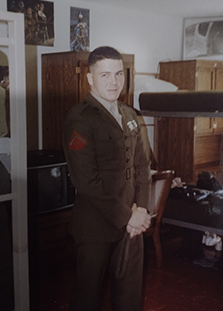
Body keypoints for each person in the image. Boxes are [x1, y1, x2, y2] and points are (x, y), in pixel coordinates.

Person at [62, 46, 152, 311]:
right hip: (95, 226)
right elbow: (86, 182)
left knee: (129, 296)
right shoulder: (79, 119)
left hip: (132, 222)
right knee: (87, 298)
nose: (114, 82)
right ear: (90, 79)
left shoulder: (129, 115)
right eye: (105, 75)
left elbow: (143, 166)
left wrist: (142, 210)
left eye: (118, 74)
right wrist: (129, 216)